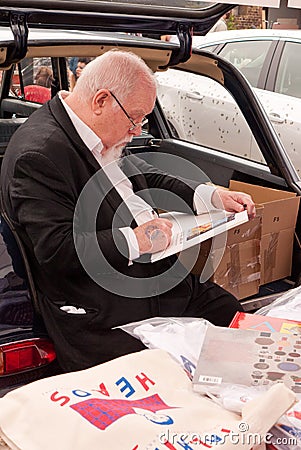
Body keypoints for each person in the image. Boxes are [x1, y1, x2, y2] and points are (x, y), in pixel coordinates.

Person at [1, 50, 255, 373]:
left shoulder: (93, 130)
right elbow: (58, 250)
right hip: (103, 312)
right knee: (183, 374)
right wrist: (137, 241)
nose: (137, 130)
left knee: (232, 315)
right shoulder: (38, 157)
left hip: (154, 281)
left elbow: (141, 173)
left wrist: (210, 195)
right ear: (101, 101)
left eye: (143, 120)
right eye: (135, 118)